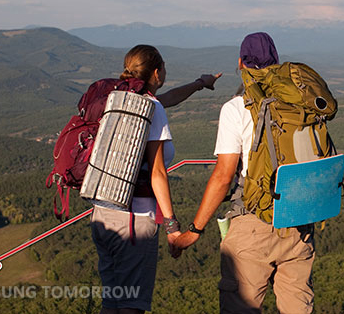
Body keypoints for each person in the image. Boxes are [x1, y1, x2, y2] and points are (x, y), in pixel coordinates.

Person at [173, 33, 316, 314]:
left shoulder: (236, 108)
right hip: (298, 221)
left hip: (253, 222)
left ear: (241, 64)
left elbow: (223, 176)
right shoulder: (300, 103)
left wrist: (194, 230)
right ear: (276, 63)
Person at [90, 44, 221, 314]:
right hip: (134, 222)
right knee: (131, 305)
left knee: (112, 301)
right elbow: (157, 173)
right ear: (157, 73)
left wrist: (200, 83)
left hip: (102, 214)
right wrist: (172, 227)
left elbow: (168, 98)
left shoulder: (118, 98)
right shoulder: (152, 108)